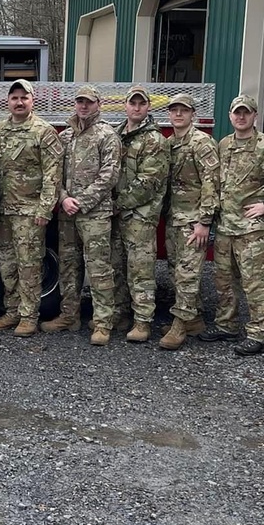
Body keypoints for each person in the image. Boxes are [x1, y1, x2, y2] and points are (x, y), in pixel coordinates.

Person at [202, 93, 264, 356]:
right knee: (224, 280)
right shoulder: (224, 144)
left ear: (255, 116)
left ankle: (258, 334)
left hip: (251, 231)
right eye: (237, 112)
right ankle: (227, 325)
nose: (241, 116)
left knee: (254, 283)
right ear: (230, 116)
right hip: (225, 227)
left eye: (246, 112)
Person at [41, 85, 121, 346]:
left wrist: (82, 201)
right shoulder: (66, 137)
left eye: (88, 102)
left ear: (98, 103)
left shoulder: (107, 135)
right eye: (79, 102)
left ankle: (102, 323)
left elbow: (109, 175)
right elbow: (55, 174)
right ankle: (69, 315)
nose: (83, 106)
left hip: (95, 213)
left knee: (98, 269)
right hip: (68, 214)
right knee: (68, 266)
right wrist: (63, 198)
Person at [0, 79, 63, 337]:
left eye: (24, 98)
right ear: (8, 102)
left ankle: (29, 316)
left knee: (29, 266)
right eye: (14, 98)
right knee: (7, 264)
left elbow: (53, 174)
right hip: (3, 212)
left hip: (29, 213)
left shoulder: (44, 132)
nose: (19, 102)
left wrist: (44, 210)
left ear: (33, 101)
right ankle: (11, 311)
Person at [159, 91, 219, 351]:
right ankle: (193, 319)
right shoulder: (171, 144)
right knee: (175, 270)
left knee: (187, 274)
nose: (178, 114)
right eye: (174, 110)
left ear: (193, 114)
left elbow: (212, 183)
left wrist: (204, 221)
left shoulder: (202, 143)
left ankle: (180, 326)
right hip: (175, 219)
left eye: (184, 110)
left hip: (193, 222)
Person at [111, 86, 169, 342]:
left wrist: (117, 204)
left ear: (148, 107)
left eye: (141, 104)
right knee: (118, 267)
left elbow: (148, 183)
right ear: (125, 106)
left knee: (140, 271)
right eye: (132, 103)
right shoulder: (117, 135)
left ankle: (143, 322)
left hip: (140, 217)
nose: (136, 107)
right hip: (119, 215)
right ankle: (122, 313)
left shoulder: (154, 140)